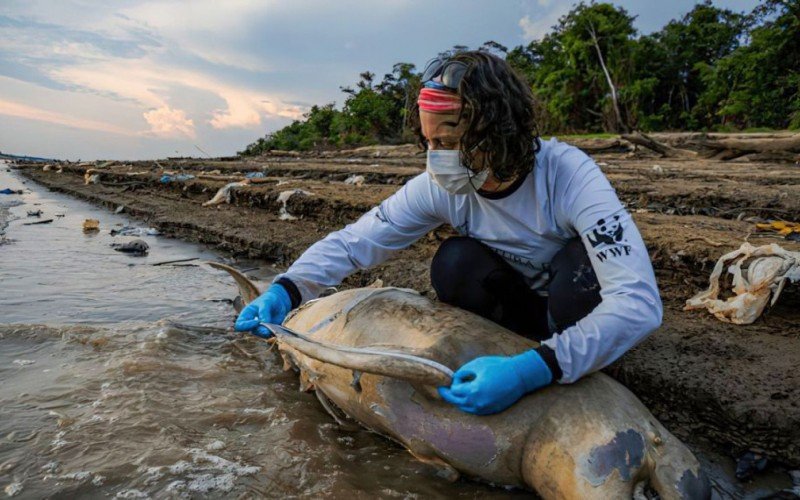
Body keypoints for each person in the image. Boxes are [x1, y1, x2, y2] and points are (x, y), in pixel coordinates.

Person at [235, 51, 662, 415]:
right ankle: (505, 356)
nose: (438, 159)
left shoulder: (569, 176)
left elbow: (638, 304)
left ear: (499, 131)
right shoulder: (442, 187)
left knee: (580, 267)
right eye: (430, 144)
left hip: (570, 308)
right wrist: (287, 289)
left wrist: (533, 370)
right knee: (454, 261)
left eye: (451, 141)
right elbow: (357, 241)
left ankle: (562, 361)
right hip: (516, 309)